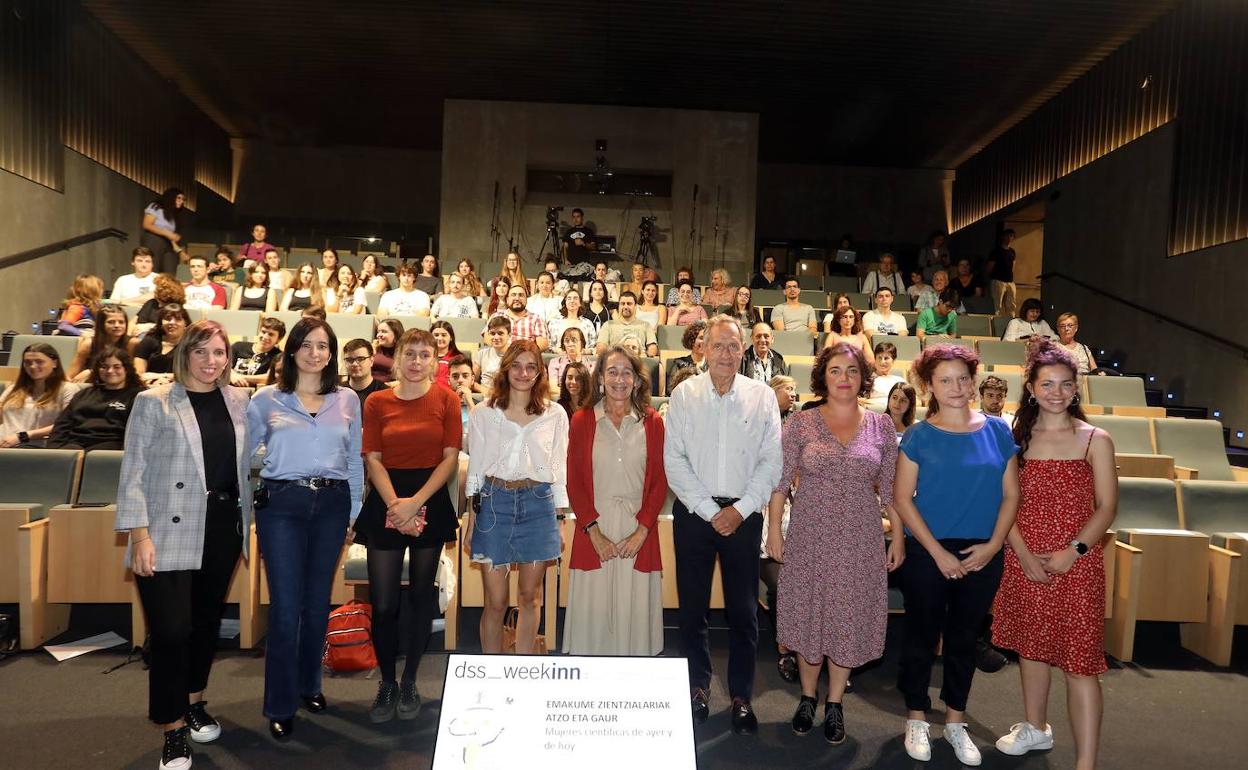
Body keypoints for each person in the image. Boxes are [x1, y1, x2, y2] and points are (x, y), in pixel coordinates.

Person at [115, 320, 250, 769]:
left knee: (205, 625)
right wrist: (140, 536)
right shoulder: (153, 402)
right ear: (184, 354)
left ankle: (193, 702)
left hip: (221, 526)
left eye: (219, 352)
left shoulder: (238, 399)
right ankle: (171, 728)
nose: (212, 361)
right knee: (171, 632)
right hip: (166, 530)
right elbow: (132, 472)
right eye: (202, 352)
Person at [766, 343, 903, 745]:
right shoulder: (800, 424)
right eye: (836, 370)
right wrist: (775, 531)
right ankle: (808, 697)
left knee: (846, 616)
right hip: (809, 533)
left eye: (852, 370)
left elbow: (891, 491)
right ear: (823, 377)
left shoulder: (882, 427)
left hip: (860, 537)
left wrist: (899, 539)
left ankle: (836, 702)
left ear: (863, 378)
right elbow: (779, 483)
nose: (844, 377)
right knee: (810, 613)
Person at [992, 339, 1118, 769]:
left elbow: (1107, 507)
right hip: (1023, 557)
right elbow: (1004, 502)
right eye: (1047, 384)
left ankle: (1085, 762)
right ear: (1030, 387)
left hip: (1078, 564)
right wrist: (1024, 553)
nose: (1057, 392)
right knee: (1031, 649)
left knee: (1080, 662)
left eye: (1066, 384)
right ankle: (1034, 727)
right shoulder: (1016, 441)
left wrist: (1074, 550)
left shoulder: (1095, 439)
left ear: (1076, 388)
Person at [892, 344, 1019, 766]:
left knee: (965, 640)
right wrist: (935, 552)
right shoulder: (918, 435)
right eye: (944, 379)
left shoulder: (999, 431)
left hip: (983, 551)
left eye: (963, 378)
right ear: (928, 385)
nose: (956, 387)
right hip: (929, 552)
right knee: (921, 637)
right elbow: (902, 499)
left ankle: (956, 721)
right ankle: (916, 716)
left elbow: (1011, 495)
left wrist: (993, 545)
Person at [663, 316, 783, 734]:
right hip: (695, 516)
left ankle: (741, 697)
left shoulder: (762, 396)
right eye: (718, 346)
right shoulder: (682, 395)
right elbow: (673, 461)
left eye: (734, 346)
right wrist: (708, 509)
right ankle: (697, 689)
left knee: (743, 612)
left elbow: (772, 461)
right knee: (693, 610)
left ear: (744, 349)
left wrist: (742, 508)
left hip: (744, 517)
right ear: (704, 349)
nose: (726, 354)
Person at [246, 318, 363, 740]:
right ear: (292, 349)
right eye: (307, 345)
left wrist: (354, 513)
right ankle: (279, 702)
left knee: (317, 605)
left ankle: (309, 684)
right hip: (283, 505)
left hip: (332, 504)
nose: (316, 353)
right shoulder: (265, 400)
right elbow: (248, 458)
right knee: (285, 608)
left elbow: (354, 461)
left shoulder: (347, 399)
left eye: (324, 346)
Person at [356, 328, 462, 723]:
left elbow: (450, 458)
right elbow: (373, 457)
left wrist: (416, 503)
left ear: (435, 361)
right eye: (409, 354)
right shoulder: (378, 401)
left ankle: (412, 679)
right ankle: (386, 682)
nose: (416, 362)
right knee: (383, 604)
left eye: (424, 355)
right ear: (397, 359)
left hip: (428, 496)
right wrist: (395, 506)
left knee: (420, 598)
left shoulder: (447, 400)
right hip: (387, 495)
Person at [464, 340, 569, 653]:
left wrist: (560, 519)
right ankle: (494, 672)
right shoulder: (483, 413)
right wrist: (472, 521)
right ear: (506, 368)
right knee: (495, 602)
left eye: (531, 366)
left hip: (539, 505)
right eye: (517, 365)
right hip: (494, 504)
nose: (523, 373)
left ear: (539, 372)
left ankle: (522, 669)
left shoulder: (555, 414)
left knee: (529, 596)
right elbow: (476, 470)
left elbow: (559, 468)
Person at [564, 346, 667, 655]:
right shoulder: (582, 421)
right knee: (593, 615)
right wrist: (593, 531)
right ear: (600, 379)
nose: (619, 379)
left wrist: (642, 530)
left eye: (627, 372)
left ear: (637, 380)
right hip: (595, 528)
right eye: (612, 371)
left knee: (632, 611)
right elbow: (574, 482)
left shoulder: (652, 422)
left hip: (638, 530)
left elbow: (660, 481)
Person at [46, 346, 144, 451]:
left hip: (111, 447)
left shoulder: (138, 396)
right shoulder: (83, 394)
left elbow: (137, 432)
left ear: (127, 369)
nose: (110, 371)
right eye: (104, 367)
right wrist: (54, 451)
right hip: (75, 444)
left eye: (117, 367)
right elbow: (61, 426)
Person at [1, 343, 78, 448]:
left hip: (35, 445)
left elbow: (66, 425)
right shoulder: (14, 388)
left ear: (54, 363)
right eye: (27, 362)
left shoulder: (67, 389)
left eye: (39, 362)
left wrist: (23, 436)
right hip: (3, 443)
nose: (32, 366)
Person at [68, 304, 132, 381]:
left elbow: (132, 373)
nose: (117, 325)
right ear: (101, 325)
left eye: (121, 322)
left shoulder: (132, 343)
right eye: (111, 322)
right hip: (92, 386)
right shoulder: (89, 344)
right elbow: (69, 375)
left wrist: (91, 372)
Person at [135, 304, 193, 386]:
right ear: (161, 322)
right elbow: (139, 373)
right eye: (167, 319)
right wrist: (151, 384)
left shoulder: (191, 345)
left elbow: (190, 375)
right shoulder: (149, 340)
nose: (172, 322)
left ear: (185, 323)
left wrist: (162, 377)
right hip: (149, 387)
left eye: (178, 319)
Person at [597, 292, 658, 357]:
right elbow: (601, 348)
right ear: (619, 306)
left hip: (638, 362)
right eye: (623, 304)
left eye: (629, 304)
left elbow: (652, 350)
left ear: (635, 306)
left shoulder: (645, 325)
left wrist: (643, 354)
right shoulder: (608, 325)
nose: (625, 307)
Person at [229, 317, 285, 387]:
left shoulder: (278, 356)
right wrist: (231, 375)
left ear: (279, 339)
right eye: (263, 332)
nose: (265, 337)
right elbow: (224, 366)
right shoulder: (238, 346)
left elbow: (269, 377)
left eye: (271, 334)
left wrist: (239, 377)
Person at [141, 188, 186, 274]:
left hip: (168, 243)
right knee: (153, 268)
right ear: (171, 197)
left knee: (170, 270)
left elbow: (170, 237)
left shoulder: (172, 215)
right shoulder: (155, 206)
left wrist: (180, 251)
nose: (181, 201)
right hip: (153, 239)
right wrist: (168, 234)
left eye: (183, 199)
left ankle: (169, 286)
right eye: (179, 198)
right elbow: (147, 224)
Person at [495, 284, 549, 350]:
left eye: (521, 295)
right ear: (507, 299)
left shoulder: (536, 319)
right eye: (513, 295)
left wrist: (526, 354)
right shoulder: (497, 316)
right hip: (500, 356)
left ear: (527, 300)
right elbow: (487, 338)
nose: (517, 298)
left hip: (526, 357)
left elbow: (543, 344)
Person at [343, 339, 388, 406]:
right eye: (349, 360)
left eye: (360, 359)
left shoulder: (384, 393)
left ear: (371, 361)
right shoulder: (338, 393)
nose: (354, 364)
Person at [665, 320, 707, 393]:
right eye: (701, 338)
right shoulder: (679, 363)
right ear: (692, 340)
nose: (704, 342)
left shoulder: (712, 365)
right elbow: (670, 389)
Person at [472, 316, 511, 393]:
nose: (496, 337)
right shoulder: (482, 354)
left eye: (500, 333)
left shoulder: (516, 355)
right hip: (483, 398)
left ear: (509, 335)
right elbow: (471, 381)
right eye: (492, 333)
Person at [987, 229, 1018, 317]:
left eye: (1011, 236)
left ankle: (1011, 322)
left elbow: (1013, 266)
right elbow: (990, 266)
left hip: (1010, 280)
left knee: (1011, 305)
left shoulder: (1012, 251)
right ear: (1003, 237)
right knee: (997, 305)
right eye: (1007, 236)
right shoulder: (996, 251)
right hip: (998, 280)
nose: (1009, 238)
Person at [446, 354, 478, 433]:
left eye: (465, 376)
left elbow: (483, 433)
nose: (460, 380)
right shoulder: (441, 405)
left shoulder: (483, 406)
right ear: (448, 380)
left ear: (472, 379)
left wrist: (470, 403)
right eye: (455, 376)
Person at [430, 320, 462, 389]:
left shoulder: (459, 358)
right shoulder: (424, 357)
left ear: (451, 338)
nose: (440, 338)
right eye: (436, 335)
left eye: (444, 335)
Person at [371, 318, 403, 383]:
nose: (378, 335)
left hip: (390, 388)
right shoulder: (373, 348)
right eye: (378, 332)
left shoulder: (403, 352)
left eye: (384, 331)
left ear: (396, 334)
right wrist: (371, 351)